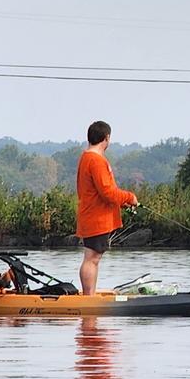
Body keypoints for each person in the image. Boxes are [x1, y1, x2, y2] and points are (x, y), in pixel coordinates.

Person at [76, 121, 138, 295]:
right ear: (107, 138)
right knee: (92, 258)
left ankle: (90, 295)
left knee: (93, 258)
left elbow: (101, 192)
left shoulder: (86, 157)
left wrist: (121, 202)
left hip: (92, 215)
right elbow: (108, 192)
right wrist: (129, 197)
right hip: (96, 218)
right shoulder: (96, 160)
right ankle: (89, 299)